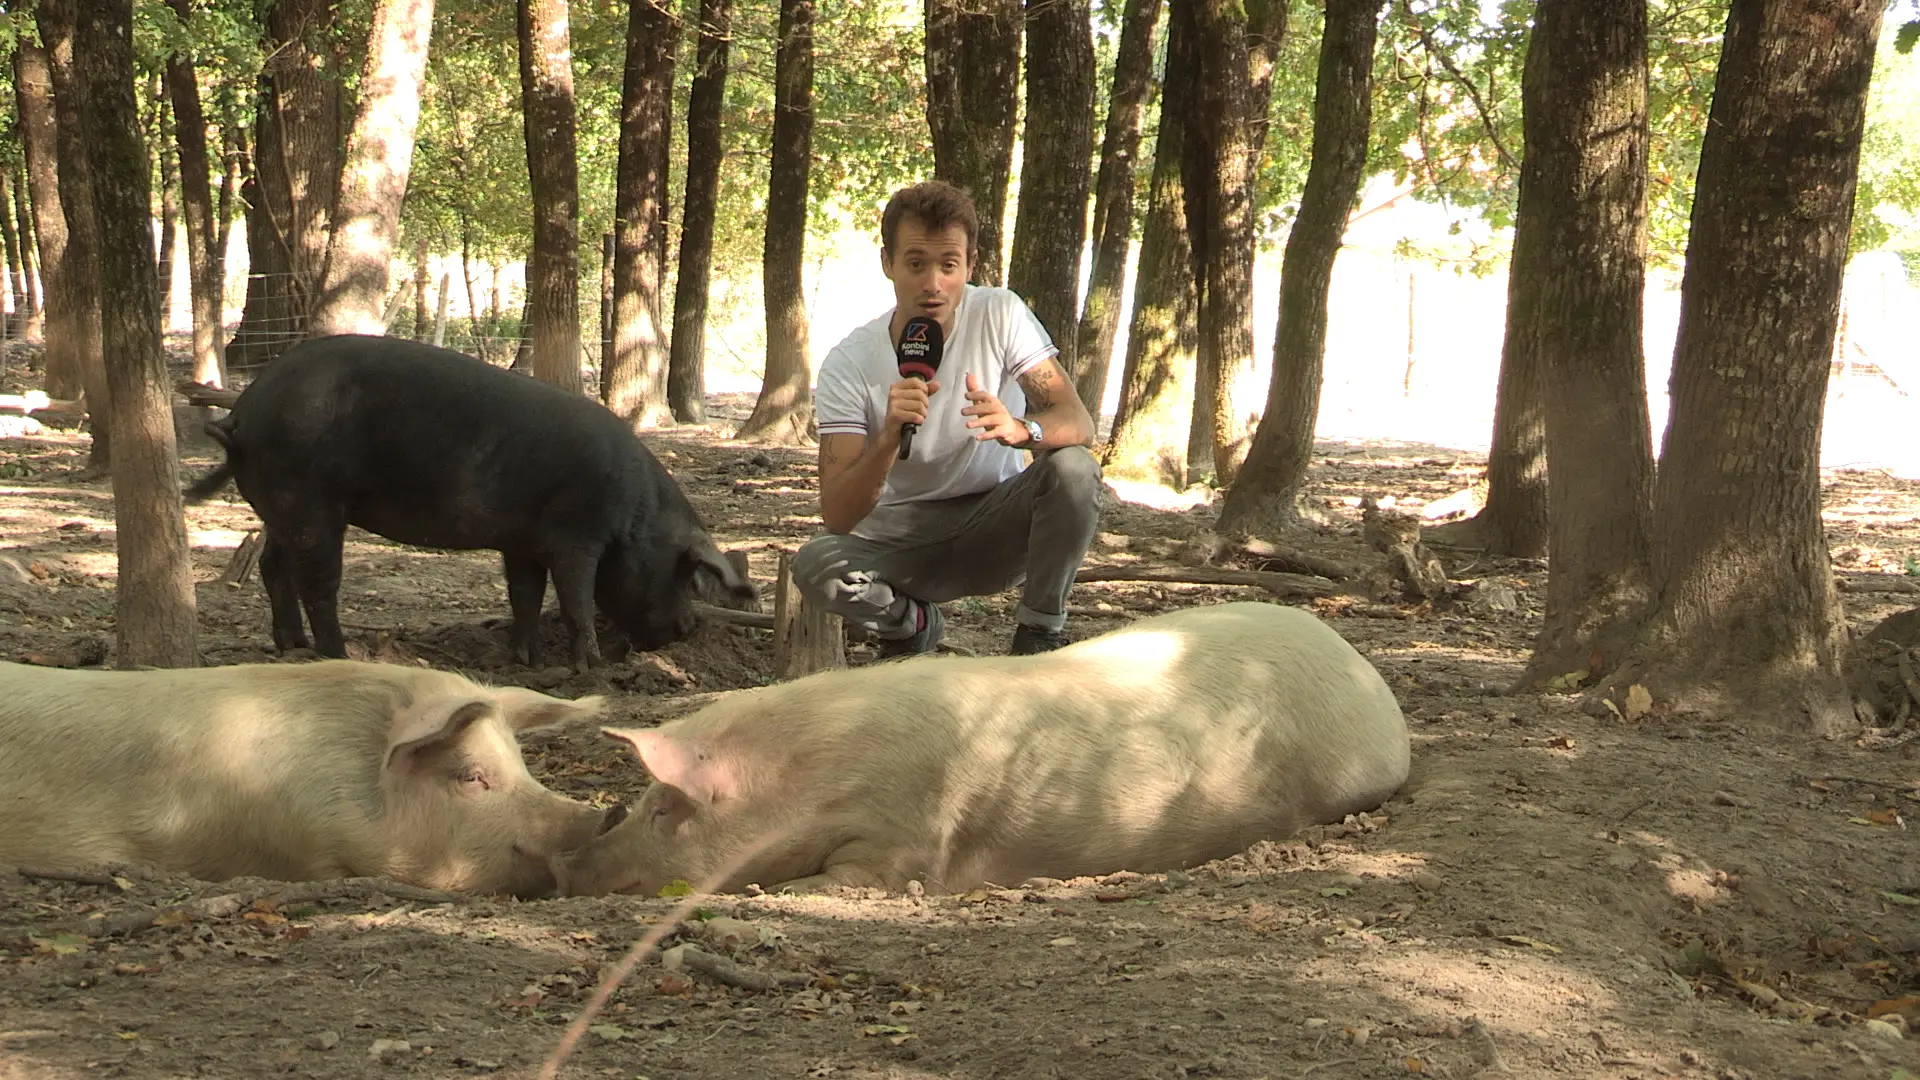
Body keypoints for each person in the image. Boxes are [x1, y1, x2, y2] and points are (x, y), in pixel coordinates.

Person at [792, 180, 1103, 658]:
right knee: (816, 567)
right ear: (888, 264)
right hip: (902, 538)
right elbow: (837, 514)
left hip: (994, 523)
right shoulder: (849, 362)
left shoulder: (1000, 314)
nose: (932, 284)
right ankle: (910, 626)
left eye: (948, 265)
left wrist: (1023, 431)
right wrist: (889, 437)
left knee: (1075, 468)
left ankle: (1039, 634)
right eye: (915, 264)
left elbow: (1078, 422)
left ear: (969, 265)